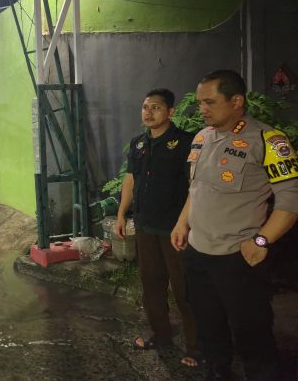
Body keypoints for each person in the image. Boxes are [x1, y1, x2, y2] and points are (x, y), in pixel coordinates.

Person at [171, 70, 298, 381]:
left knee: (252, 332)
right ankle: (217, 372)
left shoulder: (268, 141)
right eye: (200, 102)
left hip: (238, 258)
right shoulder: (202, 137)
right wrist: (182, 222)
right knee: (209, 326)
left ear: (237, 101)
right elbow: (196, 188)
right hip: (198, 254)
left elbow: (291, 201)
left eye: (209, 102)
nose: (201, 108)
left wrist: (260, 242)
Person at [114, 88, 199, 367]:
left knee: (184, 289)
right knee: (151, 285)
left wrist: (185, 222)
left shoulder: (185, 142)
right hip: (146, 226)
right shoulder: (139, 143)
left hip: (175, 229)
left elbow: (194, 186)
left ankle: (196, 347)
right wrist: (121, 214)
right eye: (145, 107)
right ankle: (160, 335)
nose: (148, 113)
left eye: (156, 108)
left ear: (171, 112)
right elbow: (130, 180)